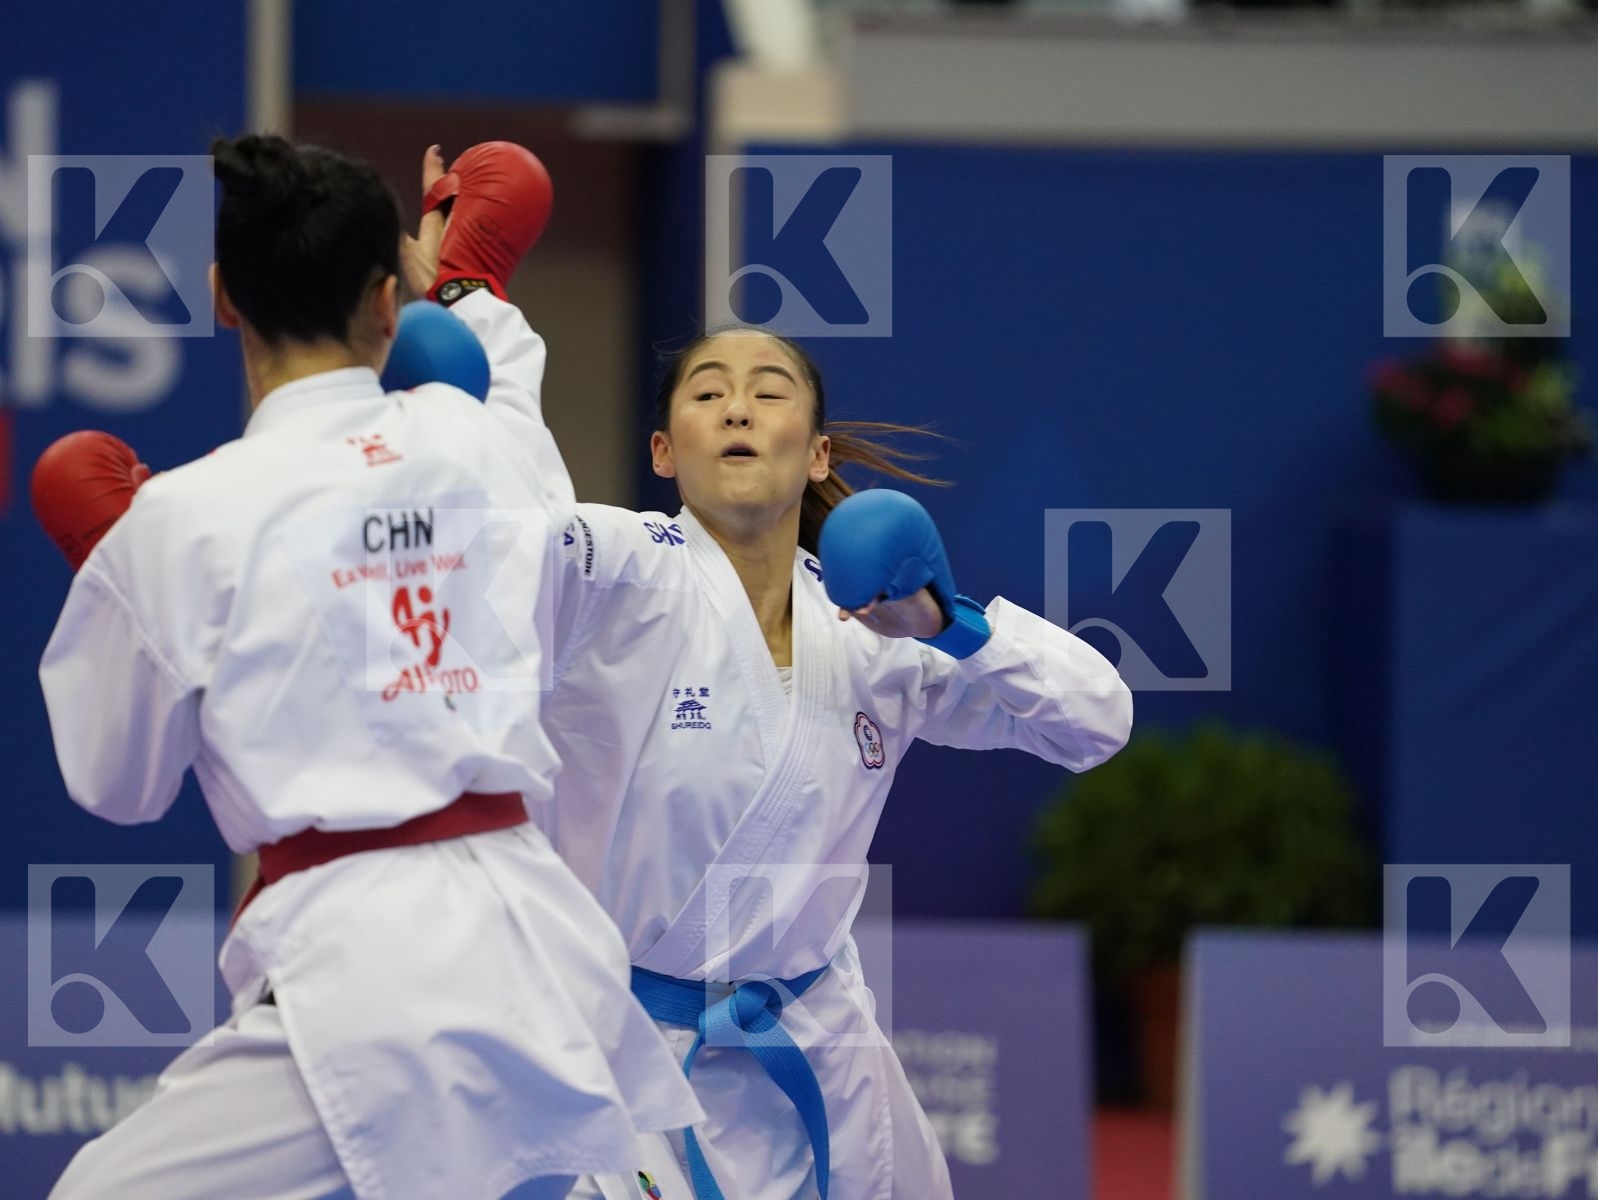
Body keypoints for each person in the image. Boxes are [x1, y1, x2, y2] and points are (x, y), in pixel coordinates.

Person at [32, 135, 701, 1200]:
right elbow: (533, 501)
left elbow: (120, 786)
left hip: (366, 964)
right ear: (388, 302)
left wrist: (118, 580)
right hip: (539, 933)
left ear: (222, 296)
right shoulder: (471, 438)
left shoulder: (178, 521)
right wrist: (463, 283)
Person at [515, 304, 1136, 1189]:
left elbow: (1097, 722)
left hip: (822, 1046)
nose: (737, 409)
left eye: (768, 393)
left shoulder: (880, 636)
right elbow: (506, 536)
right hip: (626, 1051)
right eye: (708, 395)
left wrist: (952, 627)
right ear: (663, 452)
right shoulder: (619, 570)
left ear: (817, 455)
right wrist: (477, 315)